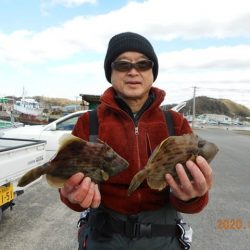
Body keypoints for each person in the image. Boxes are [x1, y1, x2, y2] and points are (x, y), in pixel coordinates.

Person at [59, 32, 213, 250]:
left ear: (153, 72)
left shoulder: (176, 123)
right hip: (104, 236)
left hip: (164, 237)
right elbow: (69, 188)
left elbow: (190, 201)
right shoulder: (88, 122)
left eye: (143, 64)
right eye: (122, 65)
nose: (133, 71)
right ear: (110, 72)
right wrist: (71, 196)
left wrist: (193, 197)